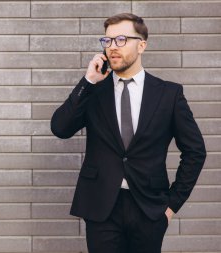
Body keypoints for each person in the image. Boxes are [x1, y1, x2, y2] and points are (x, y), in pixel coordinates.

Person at [50, 13, 206, 253]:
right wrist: (88, 82)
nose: (112, 47)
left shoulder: (169, 94)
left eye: (121, 39)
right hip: (101, 208)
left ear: (141, 45)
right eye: (108, 41)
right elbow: (60, 128)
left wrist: (172, 206)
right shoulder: (94, 91)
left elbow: (195, 151)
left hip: (149, 209)